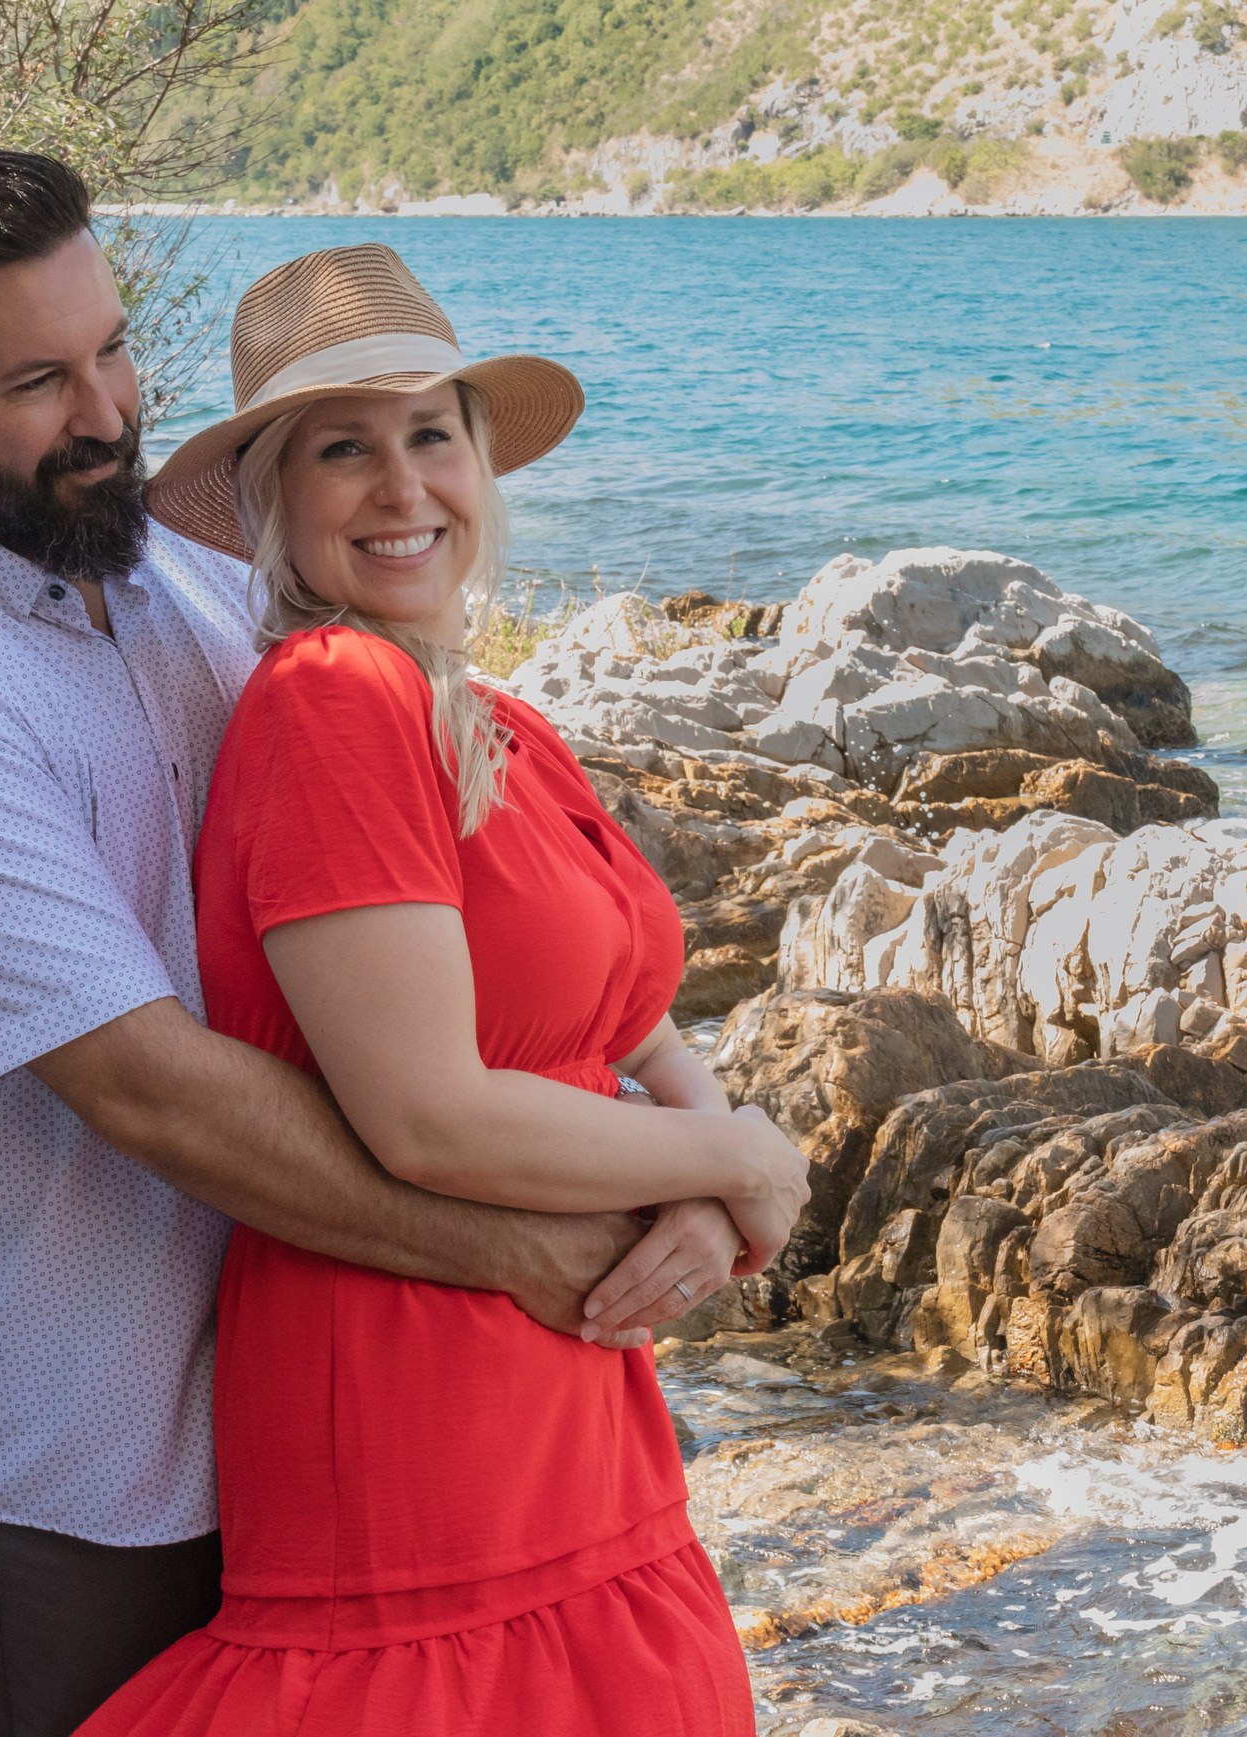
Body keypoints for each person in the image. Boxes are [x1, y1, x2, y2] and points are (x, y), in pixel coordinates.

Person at [0, 151, 735, 1737]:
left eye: (111, 351)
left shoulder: (187, 586)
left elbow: (454, 919)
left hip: (329, 1408)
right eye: (35, 381)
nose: (101, 414)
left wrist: (689, 1152)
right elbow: (155, 1090)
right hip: (86, 1459)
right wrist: (523, 1246)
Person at [68, 243, 804, 1734]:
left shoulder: (500, 722)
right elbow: (427, 1116)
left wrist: (706, 1183)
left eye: (430, 435)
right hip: (411, 1377)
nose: (402, 486)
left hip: (567, 1374)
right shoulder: (332, 701)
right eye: (345, 449)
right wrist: (744, 1157)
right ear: (274, 501)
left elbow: (629, 1013)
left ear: (480, 461)